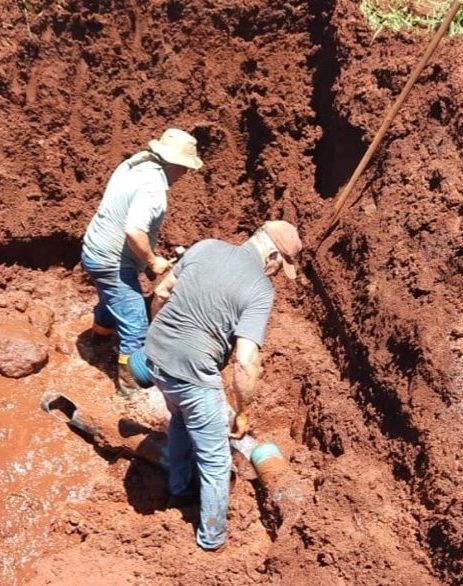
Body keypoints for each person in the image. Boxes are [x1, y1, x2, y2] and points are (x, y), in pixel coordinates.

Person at [143, 220, 302, 552]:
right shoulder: (260, 289)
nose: (276, 273)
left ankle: (180, 487)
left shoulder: (206, 246)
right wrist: (242, 410)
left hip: (155, 357)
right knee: (216, 460)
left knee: (180, 419)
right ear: (272, 255)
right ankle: (212, 540)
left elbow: (160, 292)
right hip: (192, 373)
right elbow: (245, 360)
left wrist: (160, 335)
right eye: (280, 265)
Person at [81, 128, 203, 397]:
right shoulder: (153, 189)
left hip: (94, 250)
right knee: (136, 328)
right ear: (174, 164)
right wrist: (152, 260)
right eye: (184, 168)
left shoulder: (136, 162)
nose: (185, 175)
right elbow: (134, 230)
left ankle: (97, 343)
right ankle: (131, 390)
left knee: (110, 301)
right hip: (111, 262)